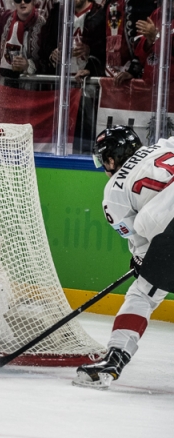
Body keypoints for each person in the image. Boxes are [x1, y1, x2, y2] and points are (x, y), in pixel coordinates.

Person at [74, 125, 174, 389]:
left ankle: (115, 358)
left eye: (102, 160)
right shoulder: (165, 144)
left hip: (170, 229)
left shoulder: (114, 191)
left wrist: (141, 262)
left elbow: (141, 243)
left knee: (143, 294)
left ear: (110, 159)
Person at [45, 0, 106, 80]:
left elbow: (105, 50)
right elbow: (46, 44)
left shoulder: (99, 14)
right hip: (61, 83)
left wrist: (90, 52)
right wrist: (52, 54)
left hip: (88, 83)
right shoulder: (58, 13)